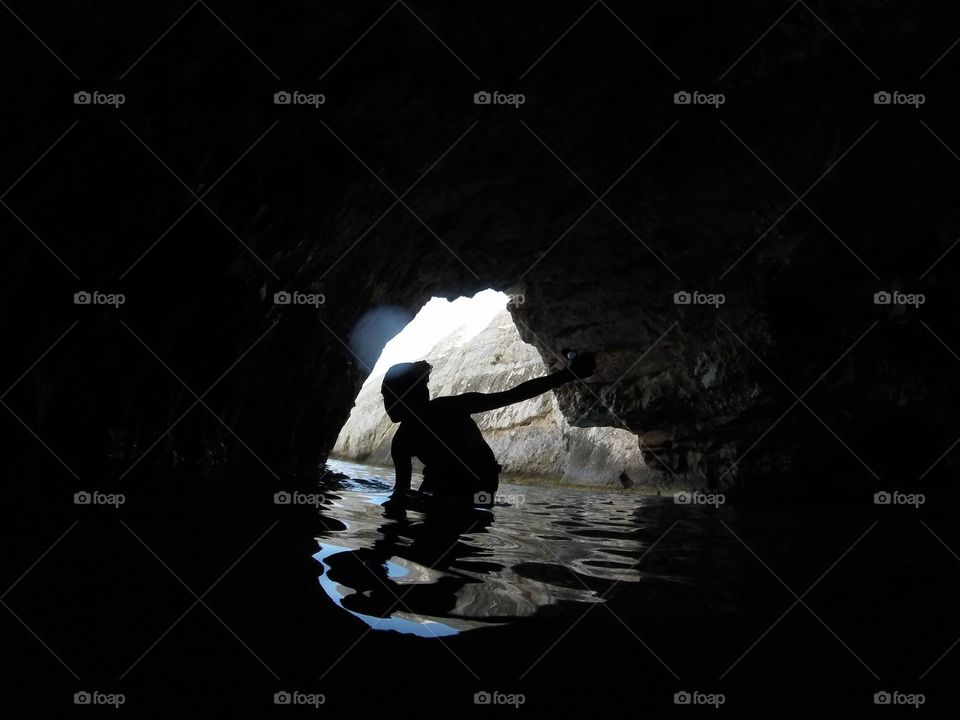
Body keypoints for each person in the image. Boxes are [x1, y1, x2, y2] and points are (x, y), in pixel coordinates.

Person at [381, 351, 596, 506]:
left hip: (477, 486)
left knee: (447, 511)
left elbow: (513, 395)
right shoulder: (401, 441)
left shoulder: (450, 408)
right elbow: (400, 492)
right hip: (443, 485)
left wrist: (568, 375)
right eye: (386, 397)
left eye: (391, 396)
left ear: (414, 395)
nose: (388, 404)